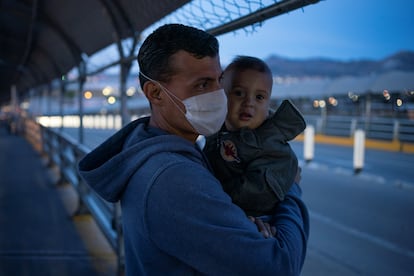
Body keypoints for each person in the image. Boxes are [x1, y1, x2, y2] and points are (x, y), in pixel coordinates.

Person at [78, 24, 309, 275]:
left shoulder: (151, 147)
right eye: (202, 85)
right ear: (155, 92)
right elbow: (280, 267)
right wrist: (290, 192)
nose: (218, 95)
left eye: (219, 81)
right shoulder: (174, 178)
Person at [203, 56, 307, 219]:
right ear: (221, 96)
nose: (249, 102)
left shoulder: (271, 145)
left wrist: (210, 193)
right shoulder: (215, 131)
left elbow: (256, 196)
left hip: (258, 220)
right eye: (239, 93)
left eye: (259, 97)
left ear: (268, 104)